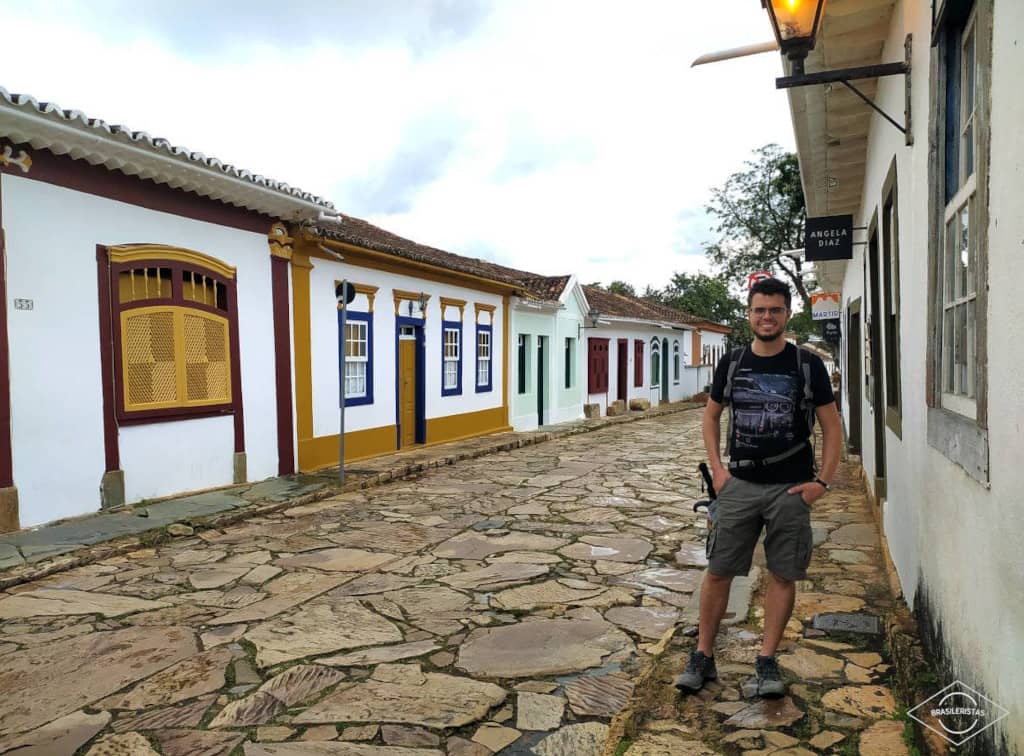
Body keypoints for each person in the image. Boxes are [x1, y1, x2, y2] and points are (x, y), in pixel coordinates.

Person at [675, 277, 841, 698]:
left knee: (783, 575)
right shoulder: (732, 363)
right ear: (749, 314)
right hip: (740, 485)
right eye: (759, 310)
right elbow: (711, 417)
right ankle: (703, 656)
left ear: (787, 314)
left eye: (775, 310)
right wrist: (718, 470)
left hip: (791, 488)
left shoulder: (807, 364)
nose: (766, 317)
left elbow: (832, 426)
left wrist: (821, 482)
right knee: (718, 572)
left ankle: (766, 662)